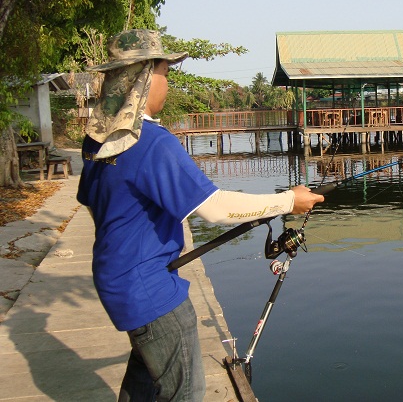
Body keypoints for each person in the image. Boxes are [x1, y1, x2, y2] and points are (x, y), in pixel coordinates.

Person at [76, 29, 324, 401]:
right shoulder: (151, 142)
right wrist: (289, 201)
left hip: (118, 281)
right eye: (165, 73)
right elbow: (216, 208)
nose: (168, 83)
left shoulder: (98, 139)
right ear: (145, 77)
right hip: (151, 290)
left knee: (144, 381)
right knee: (185, 392)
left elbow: (96, 203)